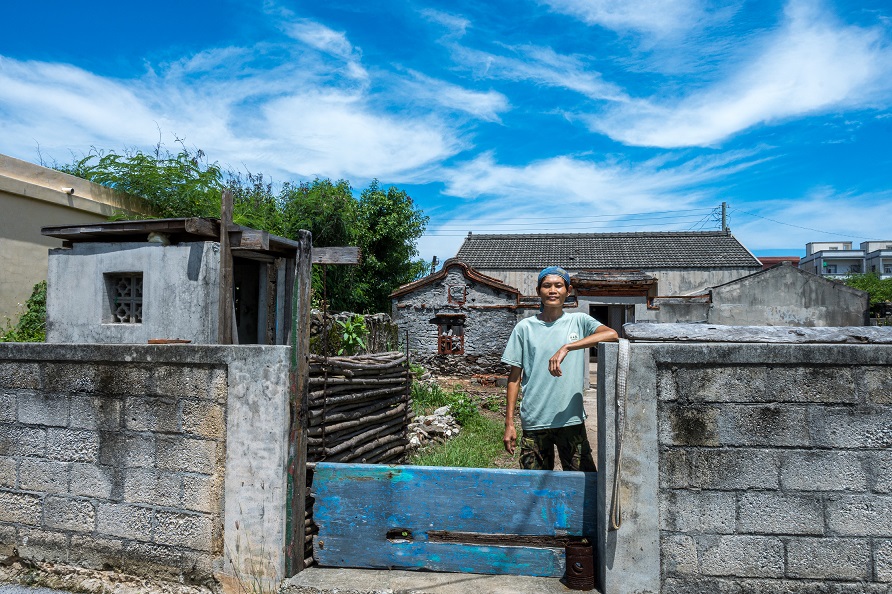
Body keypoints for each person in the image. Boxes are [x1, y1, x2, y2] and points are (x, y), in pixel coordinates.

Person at [501, 266, 619, 471]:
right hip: (535, 421)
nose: (552, 290)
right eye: (546, 286)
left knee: (583, 484)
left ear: (568, 290)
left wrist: (567, 347)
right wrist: (509, 423)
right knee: (534, 488)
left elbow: (611, 334)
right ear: (538, 291)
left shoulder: (579, 321)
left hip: (571, 420)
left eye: (558, 285)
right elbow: (514, 378)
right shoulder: (524, 328)